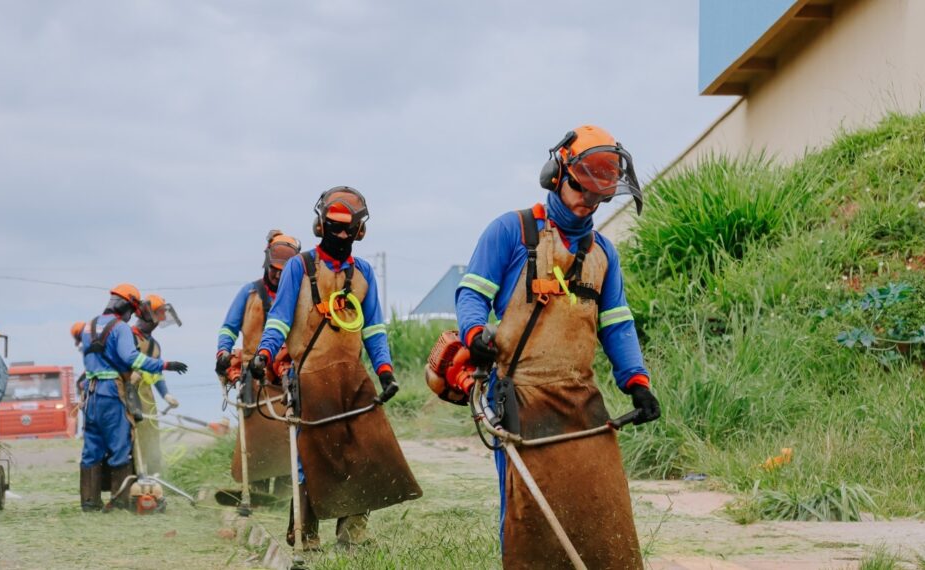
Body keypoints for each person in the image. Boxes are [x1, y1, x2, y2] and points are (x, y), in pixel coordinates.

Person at [454, 125, 661, 568]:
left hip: (578, 396)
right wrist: (476, 333)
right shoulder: (512, 232)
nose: (588, 202)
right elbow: (471, 294)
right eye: (581, 189)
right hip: (517, 394)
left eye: (599, 196)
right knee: (526, 511)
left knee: (595, 502)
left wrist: (637, 381)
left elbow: (617, 323)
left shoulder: (602, 252)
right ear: (555, 175)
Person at [250, 187, 422, 549]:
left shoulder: (363, 274)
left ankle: (353, 534)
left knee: (365, 452)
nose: (341, 236)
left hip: (352, 377)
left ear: (360, 232)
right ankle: (305, 534)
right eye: (334, 227)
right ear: (320, 225)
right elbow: (280, 318)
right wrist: (265, 353)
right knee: (311, 454)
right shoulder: (300, 266)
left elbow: (374, 327)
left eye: (348, 230)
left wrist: (386, 370)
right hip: (308, 376)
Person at [78, 283, 187, 512]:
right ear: (127, 306)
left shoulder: (89, 326)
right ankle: (120, 501)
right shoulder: (121, 329)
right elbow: (132, 359)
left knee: (92, 448)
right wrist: (164, 365)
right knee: (120, 446)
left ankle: (89, 503)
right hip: (112, 392)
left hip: (90, 393)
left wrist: (165, 393)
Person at [215, 230, 301, 495]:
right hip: (254, 376)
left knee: (289, 435)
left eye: (283, 271)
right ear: (267, 263)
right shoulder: (249, 293)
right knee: (255, 435)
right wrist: (223, 352)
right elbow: (229, 328)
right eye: (274, 269)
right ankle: (256, 490)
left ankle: (286, 493)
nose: (277, 275)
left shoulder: (299, 295)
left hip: (287, 375)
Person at [131, 293, 182, 476]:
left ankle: (154, 480)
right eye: (157, 316)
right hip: (128, 400)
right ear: (147, 315)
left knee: (151, 439)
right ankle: (134, 478)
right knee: (132, 440)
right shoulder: (127, 337)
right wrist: (129, 376)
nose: (158, 322)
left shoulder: (154, 346)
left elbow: (157, 374)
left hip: (147, 401)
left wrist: (166, 394)